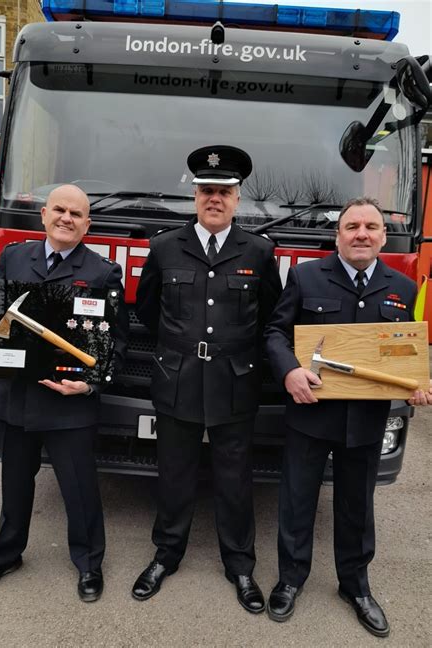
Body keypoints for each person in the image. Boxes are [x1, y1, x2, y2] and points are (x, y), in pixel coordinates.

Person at [264, 196, 432, 637]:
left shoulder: (404, 287)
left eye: (371, 227)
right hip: (310, 415)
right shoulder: (304, 276)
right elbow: (276, 332)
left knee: (357, 505)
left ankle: (355, 586)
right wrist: (290, 371)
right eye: (352, 226)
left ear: (382, 236)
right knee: (298, 502)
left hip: (366, 420)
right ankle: (290, 579)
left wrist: (415, 385)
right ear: (338, 234)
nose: (362, 234)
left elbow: (405, 350)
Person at [132, 145, 282, 613]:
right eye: (206, 191)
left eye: (224, 191)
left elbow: (270, 317)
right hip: (177, 378)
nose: (214, 198)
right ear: (194, 196)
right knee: (174, 474)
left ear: (238, 199)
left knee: (234, 479)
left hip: (234, 383)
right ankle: (166, 555)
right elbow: (147, 308)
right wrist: (181, 346)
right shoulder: (164, 247)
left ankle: (240, 565)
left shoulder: (258, 251)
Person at [0, 184, 128, 603]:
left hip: (69, 402)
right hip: (16, 396)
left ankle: (90, 563)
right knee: (14, 484)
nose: (66, 218)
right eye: (59, 210)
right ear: (44, 215)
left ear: (87, 224)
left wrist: (90, 383)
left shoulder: (104, 272)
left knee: (79, 489)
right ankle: (4, 555)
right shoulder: (15, 257)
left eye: (76, 214)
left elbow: (116, 342)